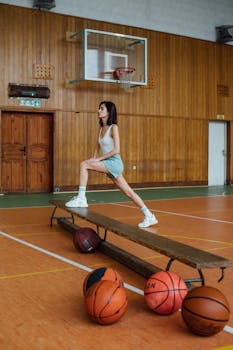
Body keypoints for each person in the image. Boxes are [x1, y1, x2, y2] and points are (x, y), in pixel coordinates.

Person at [65, 101, 158, 228]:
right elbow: (98, 146)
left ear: (108, 112)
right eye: (99, 108)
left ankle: (81, 198)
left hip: (114, 162)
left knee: (84, 165)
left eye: (101, 108)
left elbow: (116, 150)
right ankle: (149, 216)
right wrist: (94, 157)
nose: (98, 110)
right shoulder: (101, 128)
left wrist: (98, 160)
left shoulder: (114, 127)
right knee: (128, 193)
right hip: (107, 162)